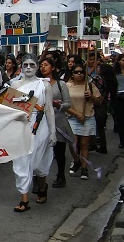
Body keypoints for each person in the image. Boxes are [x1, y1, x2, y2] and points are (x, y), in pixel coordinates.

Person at [10, 54, 56, 212]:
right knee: (21, 161)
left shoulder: (44, 85)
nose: (28, 68)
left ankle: (42, 187)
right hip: (21, 127)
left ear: (37, 67)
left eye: (32, 65)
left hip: (41, 126)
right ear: (21, 66)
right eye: (25, 65)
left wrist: (53, 133)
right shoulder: (15, 85)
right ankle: (24, 199)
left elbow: (49, 109)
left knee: (39, 162)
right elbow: (10, 109)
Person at [39, 57, 73, 189]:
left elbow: (68, 103)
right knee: (40, 152)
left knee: (59, 152)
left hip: (58, 121)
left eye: (46, 65)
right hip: (42, 121)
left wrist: (57, 105)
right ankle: (39, 180)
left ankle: (61, 175)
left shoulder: (60, 84)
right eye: (41, 65)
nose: (43, 67)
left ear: (52, 67)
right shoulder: (38, 84)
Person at [65, 61, 102, 180]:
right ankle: (77, 160)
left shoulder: (90, 85)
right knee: (73, 143)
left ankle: (84, 168)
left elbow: (99, 101)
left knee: (84, 144)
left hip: (87, 117)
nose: (79, 74)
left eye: (81, 72)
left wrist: (90, 96)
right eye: (76, 72)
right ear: (72, 74)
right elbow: (64, 104)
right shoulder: (67, 86)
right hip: (72, 117)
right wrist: (76, 114)